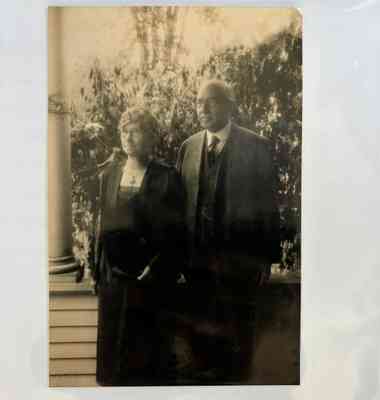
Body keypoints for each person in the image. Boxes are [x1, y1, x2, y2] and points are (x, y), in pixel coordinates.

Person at [176, 79, 281, 382]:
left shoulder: (256, 147)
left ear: (229, 106)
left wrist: (266, 258)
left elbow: (268, 206)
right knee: (201, 332)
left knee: (238, 332)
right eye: (198, 102)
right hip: (197, 262)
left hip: (240, 259)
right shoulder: (188, 148)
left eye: (211, 101)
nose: (203, 108)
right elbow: (178, 207)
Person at [91, 107, 186, 385]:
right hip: (114, 279)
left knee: (146, 358)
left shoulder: (167, 177)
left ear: (151, 136)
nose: (128, 137)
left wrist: (157, 269)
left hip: (149, 279)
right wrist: (99, 270)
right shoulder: (109, 175)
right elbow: (101, 226)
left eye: (135, 131)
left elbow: (178, 234)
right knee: (114, 359)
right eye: (124, 131)